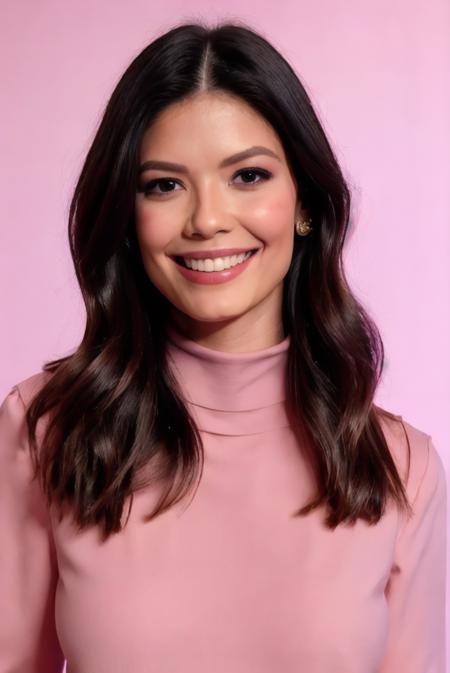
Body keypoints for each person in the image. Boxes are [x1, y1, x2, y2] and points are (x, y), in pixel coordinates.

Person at [0, 19, 447, 673]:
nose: (207, 218)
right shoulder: (44, 431)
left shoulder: (400, 467)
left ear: (305, 203)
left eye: (248, 176)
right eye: (164, 184)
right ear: (128, 216)